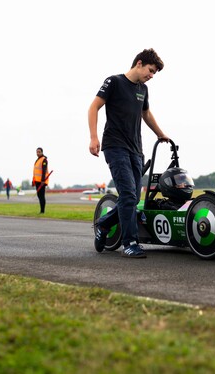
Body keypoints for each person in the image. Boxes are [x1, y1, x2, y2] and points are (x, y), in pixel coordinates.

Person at [88, 48, 169, 258]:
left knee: (131, 199)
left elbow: (146, 114)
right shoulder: (114, 82)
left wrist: (161, 134)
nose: (151, 76)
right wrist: (94, 137)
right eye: (150, 71)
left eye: (154, 74)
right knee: (128, 195)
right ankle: (130, 243)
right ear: (139, 63)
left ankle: (104, 225)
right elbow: (94, 107)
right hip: (115, 147)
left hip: (135, 149)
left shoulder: (143, 90)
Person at [32, 148, 49, 213]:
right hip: (37, 181)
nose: (37, 153)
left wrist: (42, 181)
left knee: (42, 196)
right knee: (39, 196)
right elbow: (35, 172)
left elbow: (44, 171)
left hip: (42, 182)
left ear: (42, 152)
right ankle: (41, 210)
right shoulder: (37, 160)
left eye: (39, 152)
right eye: (37, 152)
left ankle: (42, 211)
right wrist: (33, 181)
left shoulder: (44, 160)